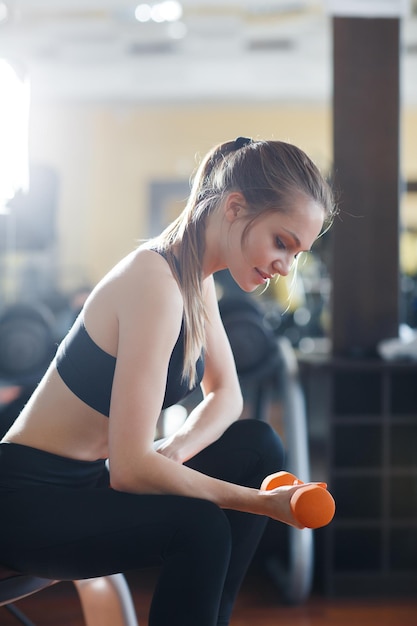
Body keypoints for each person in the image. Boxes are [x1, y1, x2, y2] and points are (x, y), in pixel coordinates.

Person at [0, 137, 335, 626]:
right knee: (198, 529)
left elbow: (227, 395)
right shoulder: (152, 279)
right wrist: (263, 504)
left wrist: (174, 450)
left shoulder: (196, 281)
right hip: (27, 500)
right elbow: (130, 469)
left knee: (257, 445)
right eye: (282, 241)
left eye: (298, 252)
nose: (286, 266)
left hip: (88, 484)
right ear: (235, 208)